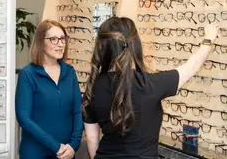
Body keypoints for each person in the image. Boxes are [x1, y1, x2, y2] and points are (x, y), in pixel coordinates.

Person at [81, 16, 219, 159]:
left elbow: (91, 138)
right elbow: (192, 65)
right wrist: (208, 39)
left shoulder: (93, 87)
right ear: (135, 45)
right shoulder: (149, 84)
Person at [15, 20, 84, 159]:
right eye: (54, 39)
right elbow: (24, 118)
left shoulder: (69, 72)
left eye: (63, 39)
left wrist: (74, 145)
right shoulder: (28, 73)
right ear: (41, 42)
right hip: (35, 152)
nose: (60, 44)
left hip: (66, 152)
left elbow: (78, 111)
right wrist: (55, 146)